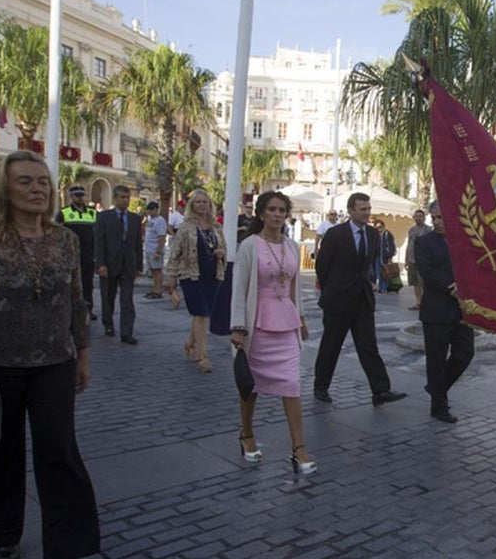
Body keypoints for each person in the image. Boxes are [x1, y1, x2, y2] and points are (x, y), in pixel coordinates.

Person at [0, 150, 99, 559]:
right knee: (0, 453)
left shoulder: (64, 239)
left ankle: (67, 547)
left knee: (60, 451)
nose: (37, 189)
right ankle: (2, 534)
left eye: (42, 182)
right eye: (26, 182)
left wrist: (82, 355)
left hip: (55, 361)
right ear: (5, 189)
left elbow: (76, 301)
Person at [230, 191, 316, 474]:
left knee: (291, 384)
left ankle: (299, 448)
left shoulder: (291, 246)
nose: (277, 215)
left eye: (282, 210)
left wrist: (301, 318)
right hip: (257, 325)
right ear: (262, 214)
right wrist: (238, 328)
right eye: (272, 209)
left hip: (286, 324)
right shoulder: (249, 246)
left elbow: (294, 287)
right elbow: (239, 290)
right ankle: (246, 434)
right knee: (250, 386)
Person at [313, 192, 407, 407]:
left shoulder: (373, 234)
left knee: (368, 346)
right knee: (331, 345)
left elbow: (367, 265)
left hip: (362, 299)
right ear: (351, 210)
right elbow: (322, 266)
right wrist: (331, 290)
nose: (367, 213)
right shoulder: (336, 234)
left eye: (368, 208)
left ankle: (380, 390)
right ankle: (321, 387)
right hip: (338, 300)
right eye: (363, 209)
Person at [414, 201, 474, 423]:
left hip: (462, 311)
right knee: (436, 360)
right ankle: (439, 406)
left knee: (465, 354)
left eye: (441, 218)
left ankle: (436, 387)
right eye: (434, 218)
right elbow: (427, 272)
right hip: (436, 311)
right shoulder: (424, 242)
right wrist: (454, 285)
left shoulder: (465, 241)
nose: (437, 222)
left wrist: (466, 284)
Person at [164, 189, 226, 372]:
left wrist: (221, 253)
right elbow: (175, 253)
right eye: (198, 202)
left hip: (212, 274)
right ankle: (203, 355)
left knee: (203, 313)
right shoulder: (186, 227)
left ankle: (190, 344)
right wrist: (171, 277)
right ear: (192, 205)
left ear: (210, 205)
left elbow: (223, 246)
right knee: (199, 312)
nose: (201, 205)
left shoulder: (216, 226)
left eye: (204, 202)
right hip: (191, 275)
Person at [95, 186, 143, 344]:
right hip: (109, 264)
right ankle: (108, 324)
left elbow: (137, 244)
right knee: (108, 297)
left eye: (128, 197)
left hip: (128, 265)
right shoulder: (104, 217)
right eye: (122, 197)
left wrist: (138, 266)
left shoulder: (135, 219)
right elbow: (99, 242)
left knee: (127, 299)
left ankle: (126, 332)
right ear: (115, 198)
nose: (126, 200)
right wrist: (100, 263)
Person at [55, 185, 98, 320]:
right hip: (70, 255)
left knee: (88, 284)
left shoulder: (92, 213)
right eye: (76, 195)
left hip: (88, 255)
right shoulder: (64, 212)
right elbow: (57, 234)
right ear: (71, 197)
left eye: (81, 195)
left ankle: (88, 310)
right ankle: (71, 310)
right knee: (71, 284)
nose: (79, 198)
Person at [405, 208, 432, 310]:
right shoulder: (411, 230)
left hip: (423, 261)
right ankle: (418, 303)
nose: (418, 218)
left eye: (420, 216)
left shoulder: (428, 230)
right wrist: (406, 259)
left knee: (424, 283)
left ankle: (427, 302)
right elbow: (409, 245)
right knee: (415, 283)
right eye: (416, 216)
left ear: (424, 218)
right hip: (412, 260)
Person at [142, 201, 168, 299]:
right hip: (149, 249)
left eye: (151, 210)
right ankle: (154, 289)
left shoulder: (160, 221)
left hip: (155, 249)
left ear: (156, 209)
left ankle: (158, 290)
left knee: (157, 270)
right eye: (148, 210)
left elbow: (162, 237)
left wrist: (158, 251)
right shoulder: (150, 220)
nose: (149, 212)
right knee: (153, 271)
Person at [374, 219, 397, 293]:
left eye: (380, 227)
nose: (378, 229)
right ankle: (381, 288)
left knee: (386, 272)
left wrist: (390, 256)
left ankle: (385, 288)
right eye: (376, 228)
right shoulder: (376, 235)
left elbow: (391, 246)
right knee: (380, 273)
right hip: (378, 256)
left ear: (383, 226)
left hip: (385, 256)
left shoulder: (387, 234)